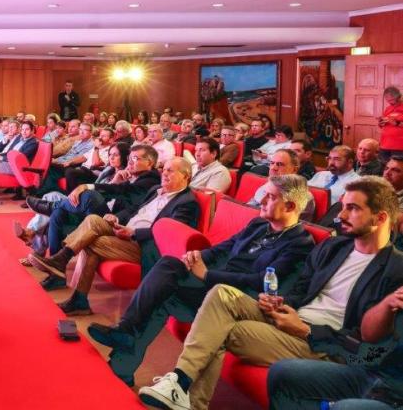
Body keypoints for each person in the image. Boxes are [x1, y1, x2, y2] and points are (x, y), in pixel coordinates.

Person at [138, 177, 403, 410]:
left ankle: (188, 397)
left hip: (321, 344)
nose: (341, 216)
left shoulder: (396, 269)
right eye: (343, 206)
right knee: (222, 293)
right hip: (290, 319)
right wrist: (280, 303)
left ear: (380, 218)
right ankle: (181, 385)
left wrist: (306, 330)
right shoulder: (334, 247)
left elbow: (372, 347)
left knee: (218, 329)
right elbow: (301, 291)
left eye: (353, 209)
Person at [90, 175, 315, 386]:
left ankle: (124, 349)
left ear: (290, 206)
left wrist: (207, 275)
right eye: (264, 194)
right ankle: (124, 348)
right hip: (213, 286)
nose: (262, 200)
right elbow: (223, 248)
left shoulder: (300, 244)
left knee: (164, 291)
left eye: (271, 197)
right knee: (170, 265)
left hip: (235, 301)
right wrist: (196, 256)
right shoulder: (258, 225)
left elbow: (259, 282)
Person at [31, 157, 201, 314]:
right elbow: (134, 210)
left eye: (171, 171)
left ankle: (72, 284)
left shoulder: (187, 203)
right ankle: (68, 272)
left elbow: (170, 234)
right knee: (93, 219)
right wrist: (117, 218)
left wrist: (134, 233)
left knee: (93, 240)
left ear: (186, 176)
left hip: (144, 246)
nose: (164, 173)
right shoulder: (156, 189)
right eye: (164, 169)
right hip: (124, 231)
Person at [15, 143, 154, 270]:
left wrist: (115, 214)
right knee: (58, 214)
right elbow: (115, 191)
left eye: (135, 159)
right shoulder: (125, 174)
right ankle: (55, 266)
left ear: (150, 163)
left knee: (89, 195)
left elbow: (131, 205)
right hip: (100, 212)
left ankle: (48, 210)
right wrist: (115, 181)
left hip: (113, 221)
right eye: (130, 158)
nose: (130, 162)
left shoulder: (150, 180)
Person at [268, 284, 403, 409]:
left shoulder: (392, 266)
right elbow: (368, 335)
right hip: (378, 376)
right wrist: (388, 303)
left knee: (346, 408)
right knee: (282, 373)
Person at [246, 149, 316, 221]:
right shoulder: (267, 185)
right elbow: (246, 208)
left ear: (294, 170)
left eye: (280, 164)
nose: (273, 168)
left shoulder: (303, 196)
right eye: (272, 163)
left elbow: (280, 224)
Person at [379, 86, 403, 163]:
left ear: (398, 97)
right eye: (387, 100)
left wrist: (397, 123)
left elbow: (397, 123)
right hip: (385, 144)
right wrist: (381, 122)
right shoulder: (388, 108)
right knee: (383, 167)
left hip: (399, 146)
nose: (390, 102)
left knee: (397, 169)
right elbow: (383, 124)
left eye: (391, 100)